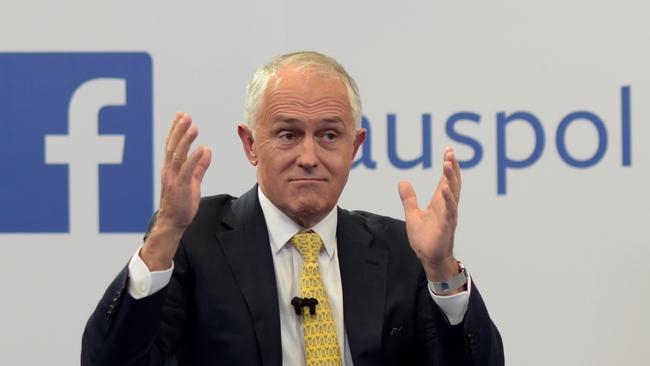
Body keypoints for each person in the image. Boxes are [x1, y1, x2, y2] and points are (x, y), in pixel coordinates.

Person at [81, 51, 504, 366]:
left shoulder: (402, 249)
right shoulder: (194, 238)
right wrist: (165, 235)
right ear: (250, 144)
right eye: (287, 135)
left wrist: (441, 270)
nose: (308, 156)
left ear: (354, 147)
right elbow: (109, 361)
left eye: (329, 135)